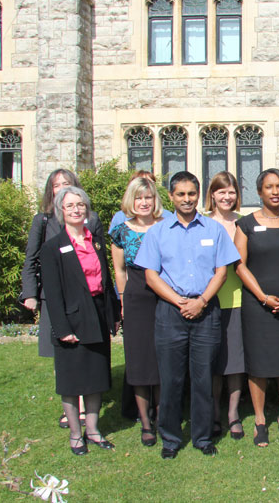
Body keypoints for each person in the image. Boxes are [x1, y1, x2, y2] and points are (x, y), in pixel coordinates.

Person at [134, 171, 240, 459]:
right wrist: (180, 301)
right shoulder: (157, 232)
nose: (187, 199)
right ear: (170, 197)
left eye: (191, 193)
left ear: (198, 194)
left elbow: (222, 271)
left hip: (206, 311)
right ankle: (170, 438)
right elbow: (151, 276)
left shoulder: (213, 229)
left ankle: (203, 437)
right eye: (180, 194)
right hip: (170, 311)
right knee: (171, 379)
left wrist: (202, 301)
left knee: (204, 377)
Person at [20, 168, 104, 429]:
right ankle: (71, 404)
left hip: (88, 299)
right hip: (56, 297)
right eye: (57, 185)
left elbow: (100, 262)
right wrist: (31, 293)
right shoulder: (43, 220)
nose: (62, 188)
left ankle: (83, 408)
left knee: (87, 353)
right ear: (52, 191)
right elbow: (32, 258)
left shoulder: (92, 220)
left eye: (67, 183)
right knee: (63, 353)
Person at [40, 186, 119, 455]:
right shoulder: (53, 248)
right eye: (70, 206)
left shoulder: (95, 241)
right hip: (71, 320)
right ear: (60, 211)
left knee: (97, 377)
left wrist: (113, 314)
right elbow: (52, 292)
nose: (76, 210)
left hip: (96, 314)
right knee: (72, 382)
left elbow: (106, 282)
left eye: (81, 205)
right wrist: (62, 328)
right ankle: (76, 435)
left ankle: (94, 431)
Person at [234, 168, 279, 447]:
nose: (275, 191)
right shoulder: (246, 224)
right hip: (257, 306)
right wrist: (263, 297)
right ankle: (260, 421)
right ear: (260, 191)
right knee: (259, 365)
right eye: (269, 187)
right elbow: (239, 265)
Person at [109, 177, 164, 447]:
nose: (144, 202)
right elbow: (119, 270)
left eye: (148, 197)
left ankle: (163, 416)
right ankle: (145, 422)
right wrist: (122, 300)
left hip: (164, 296)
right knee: (140, 360)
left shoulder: (166, 227)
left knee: (163, 358)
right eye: (139, 198)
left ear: (155, 200)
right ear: (131, 201)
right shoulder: (121, 230)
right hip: (135, 297)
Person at [204, 171, 246, 441]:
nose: (227, 196)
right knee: (214, 362)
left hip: (240, 299)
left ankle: (233, 414)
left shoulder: (245, 223)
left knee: (235, 362)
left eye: (231, 192)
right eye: (221, 191)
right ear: (212, 195)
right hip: (209, 300)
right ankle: (213, 414)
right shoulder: (201, 224)